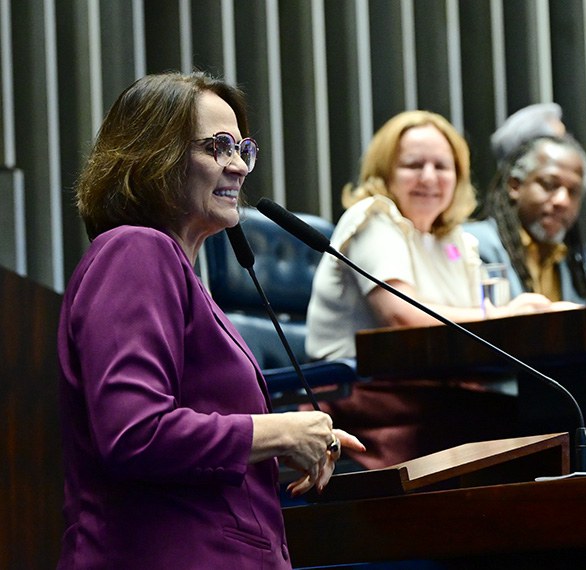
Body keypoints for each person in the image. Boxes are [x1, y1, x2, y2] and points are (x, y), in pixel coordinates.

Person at [57, 71, 363, 569]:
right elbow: (136, 432)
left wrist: (268, 450)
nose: (239, 166)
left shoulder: (179, 275)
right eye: (218, 146)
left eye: (243, 147)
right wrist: (280, 433)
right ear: (153, 155)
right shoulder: (135, 251)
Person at [305, 110, 570, 469]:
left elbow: (485, 320)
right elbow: (400, 315)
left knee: (552, 419)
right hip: (361, 397)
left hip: (431, 392)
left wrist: (525, 310)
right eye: (414, 165)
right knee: (531, 429)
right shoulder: (374, 217)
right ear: (385, 172)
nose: (429, 177)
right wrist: (505, 315)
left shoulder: (456, 240)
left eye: (442, 167)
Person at [465, 134, 586, 303]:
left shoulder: (577, 258)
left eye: (574, 192)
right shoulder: (472, 244)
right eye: (549, 185)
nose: (563, 201)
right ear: (515, 186)